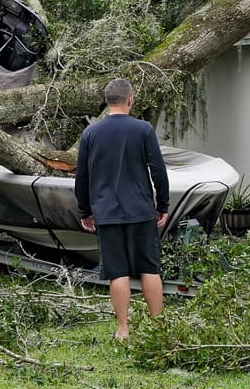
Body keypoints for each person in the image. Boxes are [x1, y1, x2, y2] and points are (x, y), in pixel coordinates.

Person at [74, 78, 170, 340]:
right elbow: (158, 170)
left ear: (108, 102)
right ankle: (157, 327)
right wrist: (163, 204)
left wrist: (84, 211)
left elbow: (81, 176)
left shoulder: (91, 133)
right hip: (140, 209)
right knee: (150, 268)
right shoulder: (143, 130)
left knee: (117, 270)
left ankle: (123, 329)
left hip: (107, 212)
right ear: (130, 99)